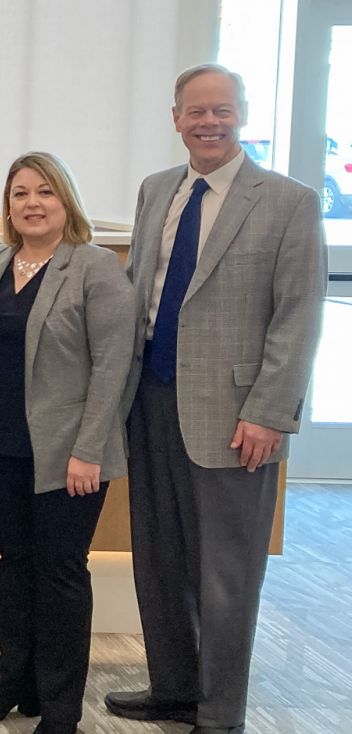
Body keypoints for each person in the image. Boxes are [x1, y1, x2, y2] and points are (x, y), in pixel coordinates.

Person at [105, 64, 326, 734]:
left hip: (236, 418)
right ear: (176, 118)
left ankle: (220, 711)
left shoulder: (287, 201)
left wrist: (269, 411)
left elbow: (297, 315)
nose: (209, 122)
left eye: (222, 111)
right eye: (196, 111)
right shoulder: (156, 191)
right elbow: (142, 291)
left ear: (243, 116)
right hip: (151, 402)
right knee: (160, 559)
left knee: (227, 574)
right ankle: (173, 688)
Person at [0, 152, 135, 734]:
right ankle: (14, 686)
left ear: (66, 202)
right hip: (7, 447)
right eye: (19, 194)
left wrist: (89, 448)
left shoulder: (96, 267)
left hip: (72, 455)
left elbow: (114, 366)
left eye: (45, 192)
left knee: (61, 575)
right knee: (16, 567)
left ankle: (60, 709)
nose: (32, 204)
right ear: (7, 206)